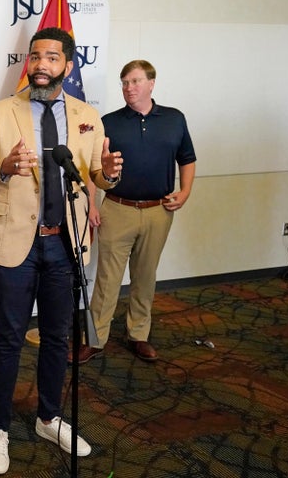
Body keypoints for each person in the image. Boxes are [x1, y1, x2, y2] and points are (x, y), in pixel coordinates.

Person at [0, 27, 122, 475]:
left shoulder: (89, 115)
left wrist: (108, 174)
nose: (41, 65)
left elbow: (95, 176)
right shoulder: (1, 112)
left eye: (52, 58)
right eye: (35, 57)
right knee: (10, 338)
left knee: (57, 337)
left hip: (66, 243)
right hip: (16, 244)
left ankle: (49, 417)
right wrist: (4, 166)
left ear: (67, 66)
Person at [72, 59, 196, 365]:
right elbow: (92, 166)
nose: (129, 88)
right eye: (125, 82)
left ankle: (139, 335)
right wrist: (92, 203)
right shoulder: (109, 122)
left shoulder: (174, 119)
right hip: (117, 208)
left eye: (136, 81)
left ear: (151, 83)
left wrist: (185, 191)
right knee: (107, 279)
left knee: (145, 276)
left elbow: (188, 158)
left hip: (158, 211)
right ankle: (95, 339)